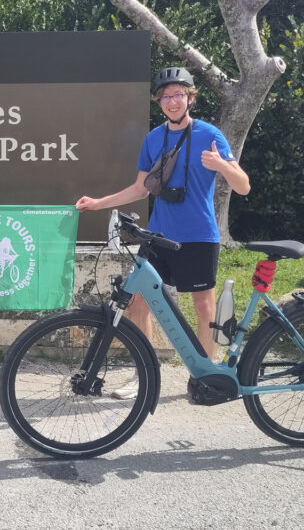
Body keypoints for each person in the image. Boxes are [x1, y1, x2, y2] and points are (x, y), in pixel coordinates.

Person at [74, 66, 250, 400]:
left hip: (199, 235)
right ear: (159, 102)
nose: (172, 101)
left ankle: (205, 374)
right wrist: (98, 203)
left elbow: (243, 186)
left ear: (190, 98)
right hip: (157, 235)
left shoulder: (210, 135)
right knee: (138, 303)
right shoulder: (154, 139)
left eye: (178, 94)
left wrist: (223, 165)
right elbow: (140, 189)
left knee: (203, 307)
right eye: (166, 96)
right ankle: (146, 373)